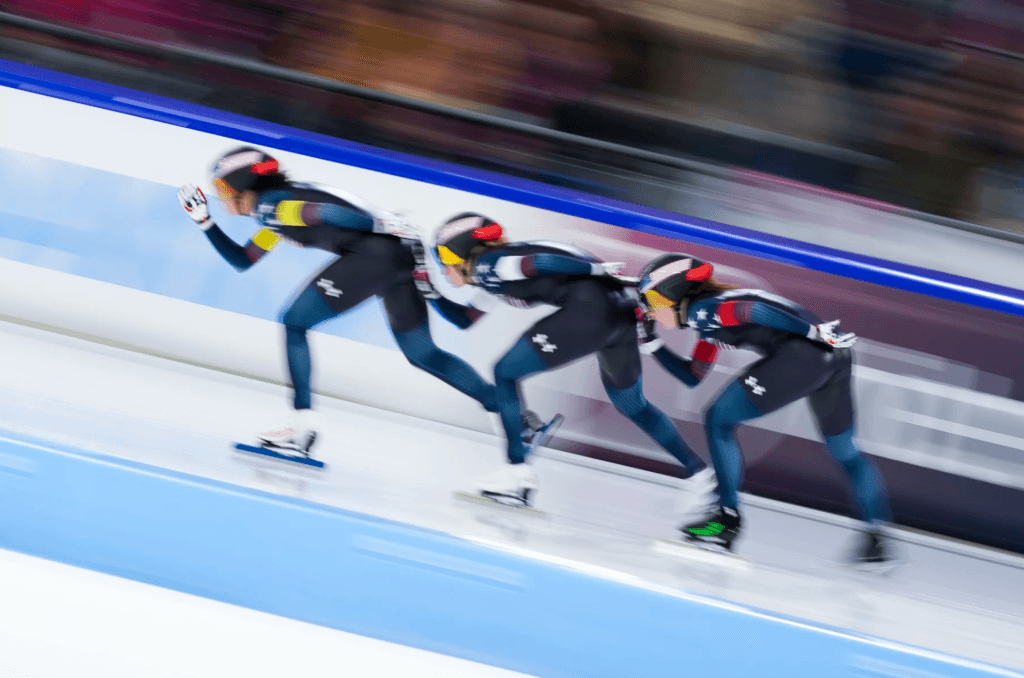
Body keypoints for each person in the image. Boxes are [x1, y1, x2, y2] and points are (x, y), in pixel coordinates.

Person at [176, 147, 548, 458]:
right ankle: (521, 422)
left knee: (294, 322)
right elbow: (245, 259)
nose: (221, 197)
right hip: (398, 256)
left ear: (244, 187)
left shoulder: (272, 207)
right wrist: (205, 221)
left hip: (373, 255)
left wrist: (380, 226)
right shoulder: (278, 206)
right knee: (424, 353)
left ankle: (301, 429)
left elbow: (325, 214)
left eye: (222, 189)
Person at [429, 213, 716, 509]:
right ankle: (703, 478)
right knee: (633, 405)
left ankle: (516, 475)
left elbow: (540, 264)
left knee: (505, 372)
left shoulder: (490, 265)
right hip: (620, 312)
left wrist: (594, 267)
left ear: (463, 252)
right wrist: (429, 290)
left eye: (445, 254)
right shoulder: (494, 271)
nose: (443, 265)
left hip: (589, 311)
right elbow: (465, 319)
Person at [636, 252, 895, 566]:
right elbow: (694, 376)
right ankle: (877, 535)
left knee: (718, 419)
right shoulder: (708, 319)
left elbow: (754, 311)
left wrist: (812, 333)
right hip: (835, 358)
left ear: (673, 293)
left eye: (651, 300)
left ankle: (725, 520)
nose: (649, 309)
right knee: (844, 450)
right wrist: (651, 342)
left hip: (806, 352)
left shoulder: (705, 310)